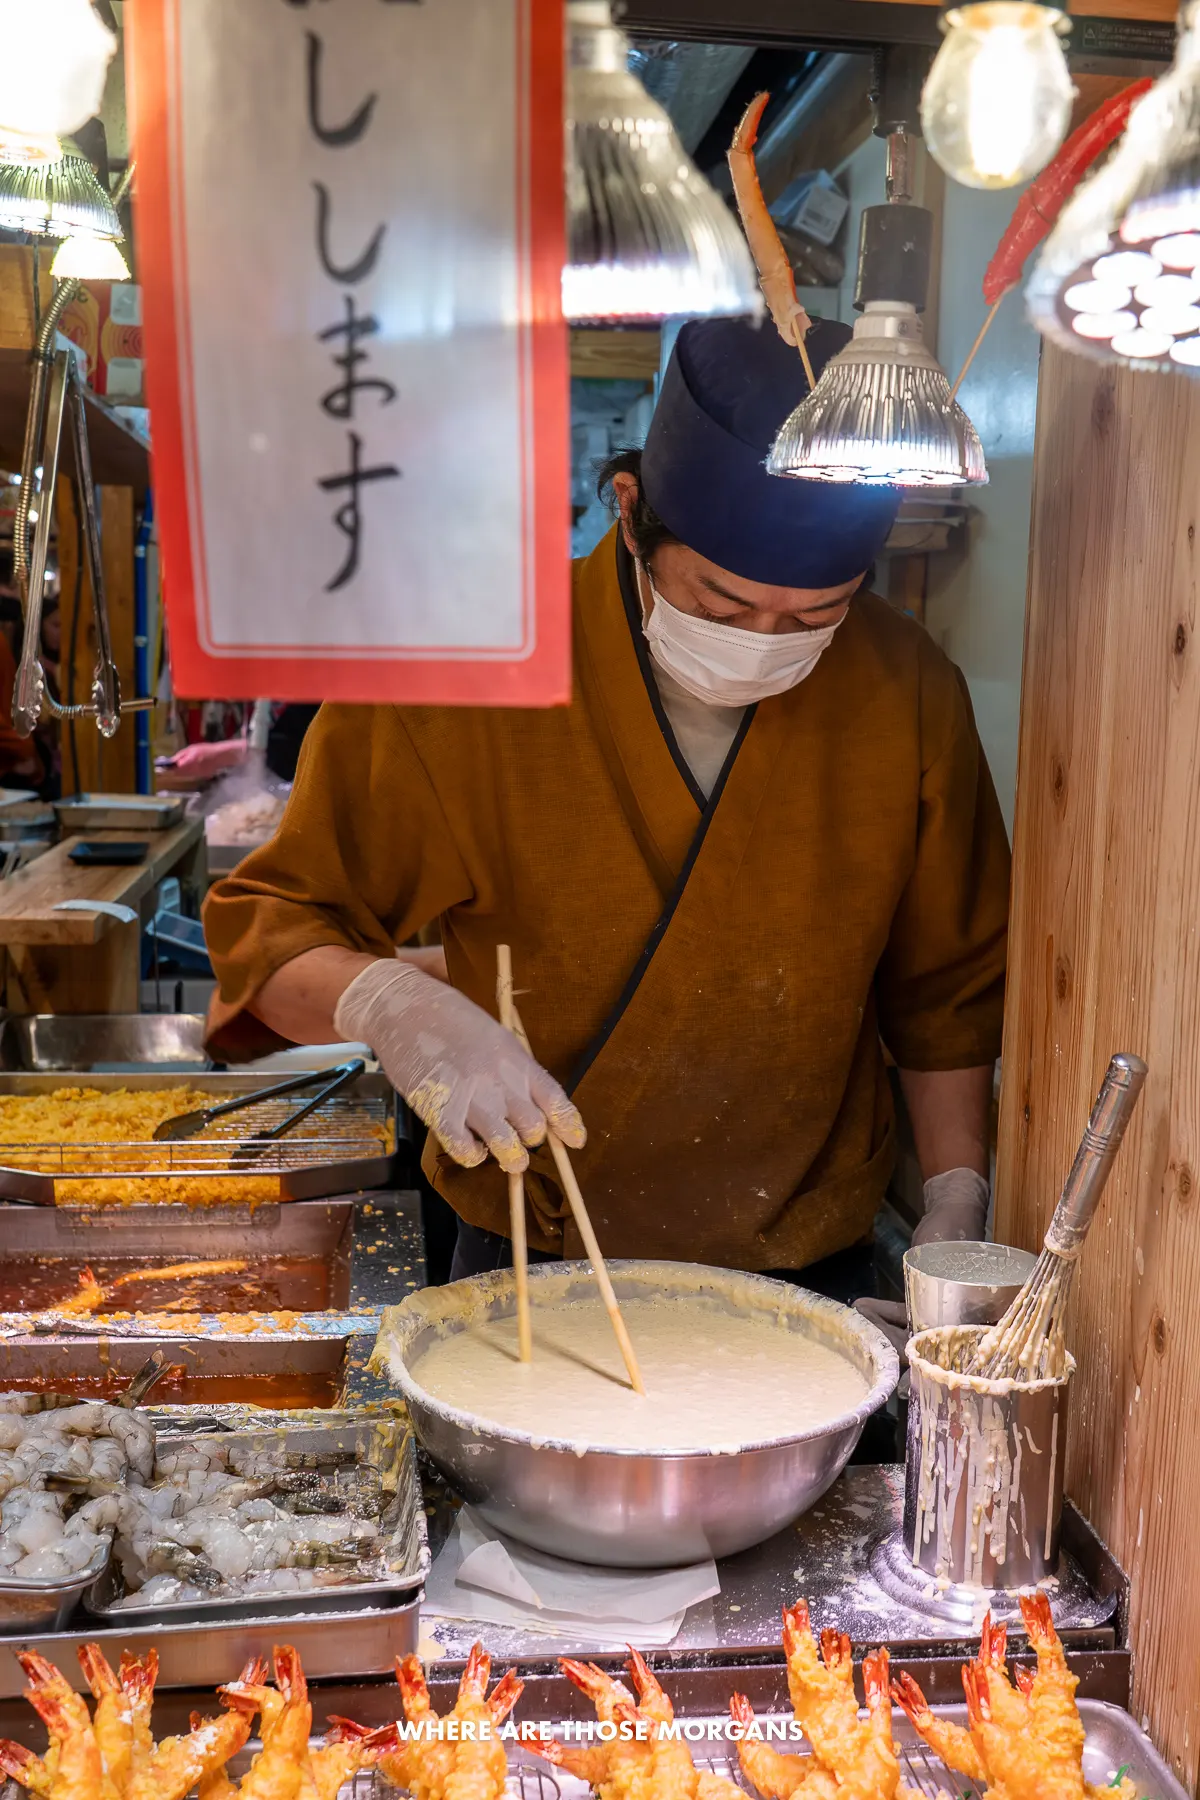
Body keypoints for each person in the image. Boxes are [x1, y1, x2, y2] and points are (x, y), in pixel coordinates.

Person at [203, 317, 1010, 1318]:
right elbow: (269, 937)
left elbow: (947, 996)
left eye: (815, 615)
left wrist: (953, 1201)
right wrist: (396, 1010)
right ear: (631, 515)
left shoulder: (908, 689)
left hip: (809, 1263)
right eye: (721, 603)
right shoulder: (469, 671)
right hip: (531, 1267)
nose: (765, 643)